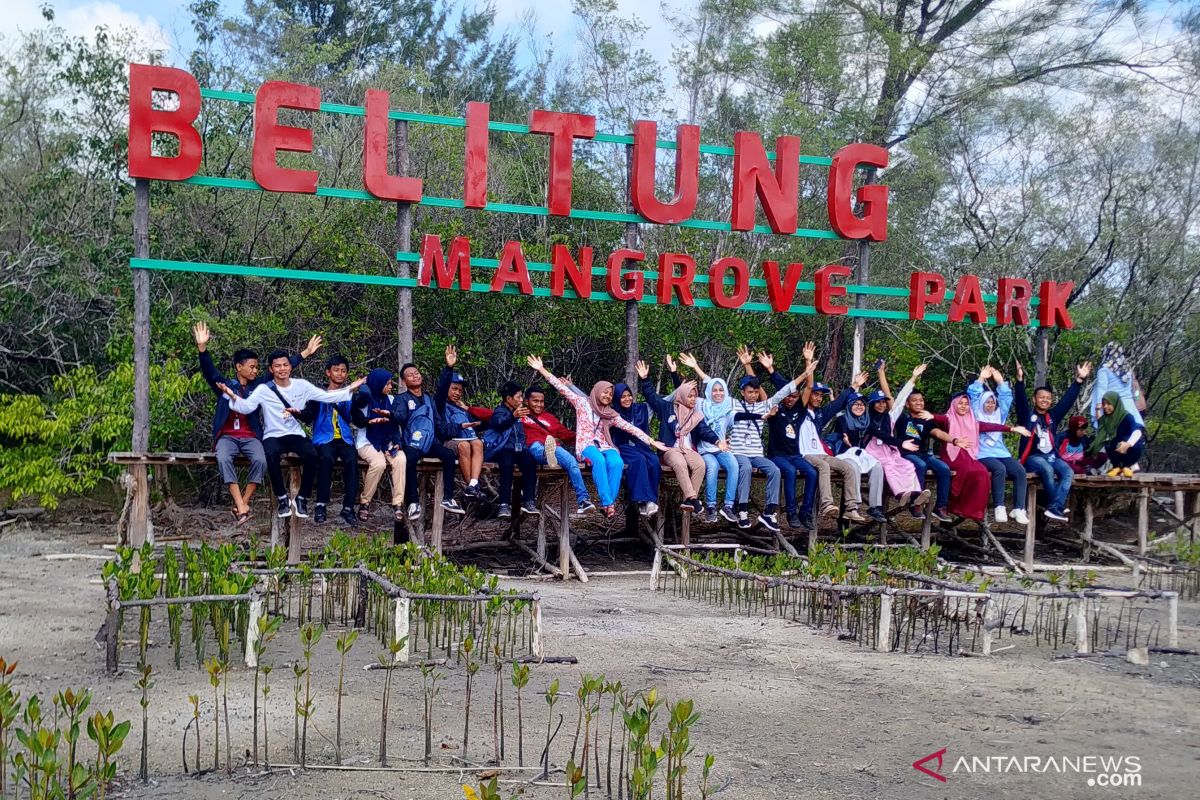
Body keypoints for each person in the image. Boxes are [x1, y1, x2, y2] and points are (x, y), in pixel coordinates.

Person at [194, 321, 319, 525]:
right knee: (223, 458)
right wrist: (202, 348)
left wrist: (305, 353)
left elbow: (280, 370)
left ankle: (243, 504)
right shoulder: (226, 386)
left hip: (251, 436)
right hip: (227, 436)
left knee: (261, 460)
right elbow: (210, 372)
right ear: (239, 367)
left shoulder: (259, 387)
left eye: (256, 367)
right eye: (251, 367)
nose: (255, 370)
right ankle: (241, 505)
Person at [220, 349, 364, 519]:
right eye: (278, 366)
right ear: (271, 369)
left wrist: (349, 389)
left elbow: (326, 396)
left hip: (294, 433)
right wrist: (231, 396)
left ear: (290, 367)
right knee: (270, 455)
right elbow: (246, 407)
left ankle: (302, 497)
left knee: (312, 455)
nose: (282, 369)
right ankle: (282, 498)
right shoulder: (263, 389)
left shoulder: (301, 385)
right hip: (273, 434)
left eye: (285, 365)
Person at [527, 355, 667, 518]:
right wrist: (541, 369)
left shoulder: (610, 413)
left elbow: (631, 428)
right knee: (599, 460)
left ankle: (609, 503)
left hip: (605, 445)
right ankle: (609, 504)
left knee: (616, 461)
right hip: (587, 446)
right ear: (598, 391)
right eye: (605, 393)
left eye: (610, 394)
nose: (607, 396)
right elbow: (560, 387)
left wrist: (651, 441)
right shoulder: (582, 403)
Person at [719, 346, 807, 533]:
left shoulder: (762, 406)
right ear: (742, 392)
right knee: (747, 467)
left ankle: (769, 511)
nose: (753, 395)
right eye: (749, 392)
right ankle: (742, 509)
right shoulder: (734, 404)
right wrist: (747, 365)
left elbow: (784, 392)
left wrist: (805, 374)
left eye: (756, 392)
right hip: (739, 452)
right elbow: (731, 408)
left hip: (756, 453)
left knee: (774, 470)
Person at [474, 386, 596, 515]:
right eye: (535, 401)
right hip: (532, 446)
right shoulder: (519, 413)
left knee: (571, 461)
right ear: (526, 401)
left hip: (553, 447)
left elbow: (567, 435)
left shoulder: (550, 418)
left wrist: (589, 436)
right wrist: (467, 408)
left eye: (541, 401)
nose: (539, 404)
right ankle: (545, 455)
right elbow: (491, 415)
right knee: (537, 448)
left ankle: (583, 500)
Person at [921, 394, 1030, 523]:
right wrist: (932, 416)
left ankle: (972, 510)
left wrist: (1011, 428)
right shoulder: (949, 419)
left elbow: (991, 426)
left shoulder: (973, 421)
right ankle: (954, 504)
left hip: (969, 455)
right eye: (960, 403)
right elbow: (940, 419)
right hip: (953, 456)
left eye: (966, 404)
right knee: (972, 471)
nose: (963, 406)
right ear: (955, 404)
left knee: (982, 473)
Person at [637, 361, 727, 514]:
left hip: (687, 449)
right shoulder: (667, 408)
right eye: (690, 396)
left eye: (694, 396)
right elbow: (651, 397)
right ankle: (692, 498)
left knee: (700, 464)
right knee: (679, 463)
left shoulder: (696, 415)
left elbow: (705, 431)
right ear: (683, 396)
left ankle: (688, 500)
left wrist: (717, 441)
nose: (693, 399)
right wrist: (645, 379)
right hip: (670, 449)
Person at [1014, 359, 1091, 522]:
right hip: (1033, 457)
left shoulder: (1052, 416)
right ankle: (1057, 507)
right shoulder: (1027, 416)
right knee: (1047, 469)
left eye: (1048, 398)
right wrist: (1019, 381)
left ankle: (1054, 507)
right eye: (1041, 397)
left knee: (1067, 472)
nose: (1045, 400)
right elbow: (1020, 402)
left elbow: (1067, 401)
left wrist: (1079, 380)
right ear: (1035, 400)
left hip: (1052, 456)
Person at [390, 361, 465, 519]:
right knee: (409, 458)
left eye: (416, 373)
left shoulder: (429, 399)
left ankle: (448, 498)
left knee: (449, 455)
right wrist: (390, 415)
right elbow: (400, 417)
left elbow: (439, 424)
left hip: (429, 441)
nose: (415, 376)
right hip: (411, 441)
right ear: (404, 382)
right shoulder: (401, 399)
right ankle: (412, 502)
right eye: (410, 375)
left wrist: (459, 426)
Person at [765, 342, 822, 530]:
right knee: (789, 471)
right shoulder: (775, 408)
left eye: (794, 397)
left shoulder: (800, 410)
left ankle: (804, 512)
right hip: (777, 455)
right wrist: (769, 370)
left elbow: (809, 387)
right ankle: (790, 512)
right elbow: (767, 393)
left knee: (812, 473)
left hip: (795, 455)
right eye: (788, 396)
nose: (791, 399)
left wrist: (808, 362)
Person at [300, 355, 359, 526]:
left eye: (343, 371)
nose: (340, 374)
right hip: (324, 438)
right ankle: (321, 504)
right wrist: (297, 413)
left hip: (345, 438)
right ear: (328, 372)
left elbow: (358, 414)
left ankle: (348, 507)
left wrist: (362, 392)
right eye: (336, 370)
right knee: (326, 458)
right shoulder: (317, 395)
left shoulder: (351, 395)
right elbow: (308, 415)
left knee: (352, 460)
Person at [968, 366, 1029, 526]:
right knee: (999, 469)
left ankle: (1019, 508)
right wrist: (981, 379)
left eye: (992, 402)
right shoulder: (975, 414)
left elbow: (1006, 398)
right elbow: (973, 395)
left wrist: (1000, 381)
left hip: (1001, 452)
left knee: (1020, 471)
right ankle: (999, 506)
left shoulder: (999, 415)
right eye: (987, 402)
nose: (990, 405)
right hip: (982, 453)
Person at [351, 368, 407, 525]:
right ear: (378, 383)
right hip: (367, 441)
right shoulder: (363, 399)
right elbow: (357, 419)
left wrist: (397, 442)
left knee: (401, 459)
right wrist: (370, 421)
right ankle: (365, 501)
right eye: (387, 383)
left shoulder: (390, 399)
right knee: (379, 463)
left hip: (387, 441)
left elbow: (395, 423)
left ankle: (398, 503)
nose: (390, 387)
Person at [894, 383, 953, 523]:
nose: (919, 403)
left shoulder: (927, 420)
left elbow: (937, 433)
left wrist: (954, 440)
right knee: (920, 465)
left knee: (944, 469)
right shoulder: (902, 418)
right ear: (907, 404)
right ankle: (916, 503)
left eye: (921, 400)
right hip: (905, 453)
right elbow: (892, 401)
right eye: (914, 400)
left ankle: (940, 507)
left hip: (922, 454)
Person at [481, 382, 541, 518]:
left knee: (530, 461)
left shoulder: (520, 411)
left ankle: (529, 501)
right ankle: (503, 504)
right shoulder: (500, 411)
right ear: (509, 399)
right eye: (519, 397)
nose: (521, 400)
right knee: (507, 463)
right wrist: (513, 416)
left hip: (518, 449)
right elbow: (499, 424)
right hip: (502, 449)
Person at [435, 345, 485, 498]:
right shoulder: (439, 404)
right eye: (454, 389)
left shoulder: (462, 408)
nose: (457, 393)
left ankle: (473, 484)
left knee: (477, 443)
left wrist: (470, 410)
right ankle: (471, 485)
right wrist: (449, 367)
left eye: (460, 390)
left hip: (469, 441)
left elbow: (487, 421)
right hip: (449, 442)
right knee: (464, 445)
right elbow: (442, 430)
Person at [833, 392, 890, 523]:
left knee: (877, 466)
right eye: (856, 404)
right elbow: (841, 428)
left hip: (860, 454)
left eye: (862, 404)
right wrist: (843, 434)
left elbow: (882, 434)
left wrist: (901, 443)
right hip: (844, 455)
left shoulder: (866, 421)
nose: (859, 407)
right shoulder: (843, 418)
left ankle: (875, 506)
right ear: (849, 405)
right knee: (853, 467)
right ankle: (854, 506)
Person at [694, 365, 740, 523]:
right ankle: (711, 507)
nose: (718, 393)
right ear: (709, 392)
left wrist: (760, 416)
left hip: (722, 448)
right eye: (715, 390)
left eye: (721, 390)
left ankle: (728, 506)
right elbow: (685, 392)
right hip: (705, 449)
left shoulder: (729, 406)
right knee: (712, 467)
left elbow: (742, 414)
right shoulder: (701, 404)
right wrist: (695, 368)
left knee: (734, 465)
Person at [613, 380, 664, 517]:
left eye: (629, 395)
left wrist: (679, 384)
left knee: (653, 461)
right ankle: (642, 500)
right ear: (617, 398)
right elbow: (589, 400)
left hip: (641, 445)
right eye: (622, 397)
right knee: (638, 460)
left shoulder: (640, 409)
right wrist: (570, 387)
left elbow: (661, 401)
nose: (627, 399)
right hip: (622, 446)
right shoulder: (612, 412)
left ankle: (650, 501)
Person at [1087, 391, 1147, 477]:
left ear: (1115, 403)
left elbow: (1137, 431)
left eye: (1108, 404)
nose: (1105, 407)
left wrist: (1128, 444)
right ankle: (1116, 466)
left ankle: (1127, 466)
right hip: (1115, 449)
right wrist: (1093, 451)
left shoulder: (1127, 417)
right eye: (1104, 404)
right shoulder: (1105, 419)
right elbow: (1101, 432)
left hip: (1128, 447)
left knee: (1135, 444)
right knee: (1108, 442)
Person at [1091, 342, 1144, 427]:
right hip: (1131, 409)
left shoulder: (1104, 370)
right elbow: (1134, 391)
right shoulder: (1127, 370)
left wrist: (1098, 410)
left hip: (1115, 410)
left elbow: (1101, 392)